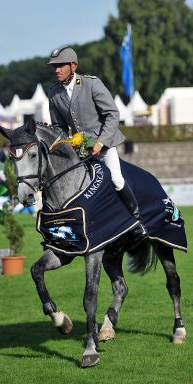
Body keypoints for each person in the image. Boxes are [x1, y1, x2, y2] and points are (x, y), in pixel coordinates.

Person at [47, 46, 147, 241]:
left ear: (73, 66)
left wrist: (101, 142)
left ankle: (137, 222)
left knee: (116, 179)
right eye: (54, 66)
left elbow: (112, 114)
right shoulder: (54, 93)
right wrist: (65, 143)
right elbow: (58, 126)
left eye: (60, 66)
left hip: (104, 143)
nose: (56, 70)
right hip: (79, 149)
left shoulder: (91, 84)